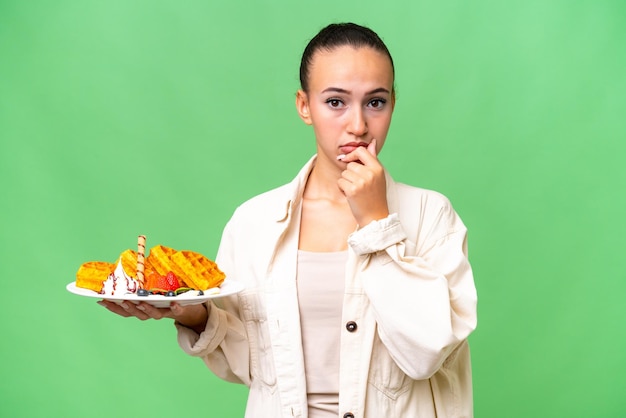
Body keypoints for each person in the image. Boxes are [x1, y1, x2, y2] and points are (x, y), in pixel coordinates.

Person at [101, 22, 478, 418]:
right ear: (304, 106)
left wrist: (376, 223)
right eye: (336, 102)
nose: (358, 125)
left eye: (375, 102)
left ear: (393, 104)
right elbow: (249, 365)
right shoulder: (254, 222)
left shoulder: (431, 216)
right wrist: (193, 313)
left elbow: (427, 352)